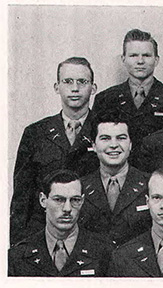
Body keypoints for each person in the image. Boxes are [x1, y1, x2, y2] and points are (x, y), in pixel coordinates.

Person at [11, 57, 100, 243]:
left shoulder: (107, 132)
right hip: (45, 235)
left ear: (93, 88)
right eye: (67, 81)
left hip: (93, 233)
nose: (75, 88)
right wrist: (19, 244)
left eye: (82, 82)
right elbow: (22, 197)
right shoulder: (36, 133)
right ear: (56, 87)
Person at [8, 170, 113, 277]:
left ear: (82, 201)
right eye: (59, 200)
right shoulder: (18, 256)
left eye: (75, 200)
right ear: (43, 200)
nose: (67, 209)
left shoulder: (104, 253)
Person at [93, 29, 163, 153]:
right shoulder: (106, 98)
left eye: (146, 55)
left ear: (156, 60)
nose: (140, 61)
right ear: (123, 59)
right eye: (133, 55)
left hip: (158, 170)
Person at [78, 117, 151, 247]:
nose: (113, 145)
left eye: (121, 138)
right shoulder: (79, 187)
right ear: (94, 146)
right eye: (105, 138)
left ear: (130, 144)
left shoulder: (151, 184)